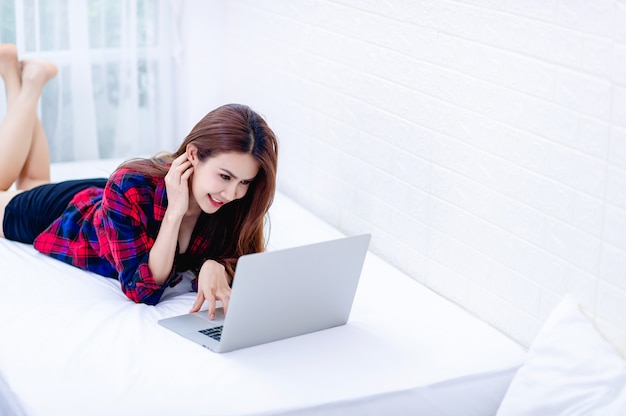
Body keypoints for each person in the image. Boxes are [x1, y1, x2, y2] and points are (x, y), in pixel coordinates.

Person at [0, 44, 278, 320]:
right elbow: (142, 289)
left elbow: (244, 261)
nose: (232, 193)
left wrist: (216, 266)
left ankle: (19, 79)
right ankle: (30, 84)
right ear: (193, 155)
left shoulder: (232, 201)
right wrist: (174, 214)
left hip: (111, 203)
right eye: (225, 176)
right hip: (67, 214)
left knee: (34, 180)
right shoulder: (130, 185)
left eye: (244, 182)